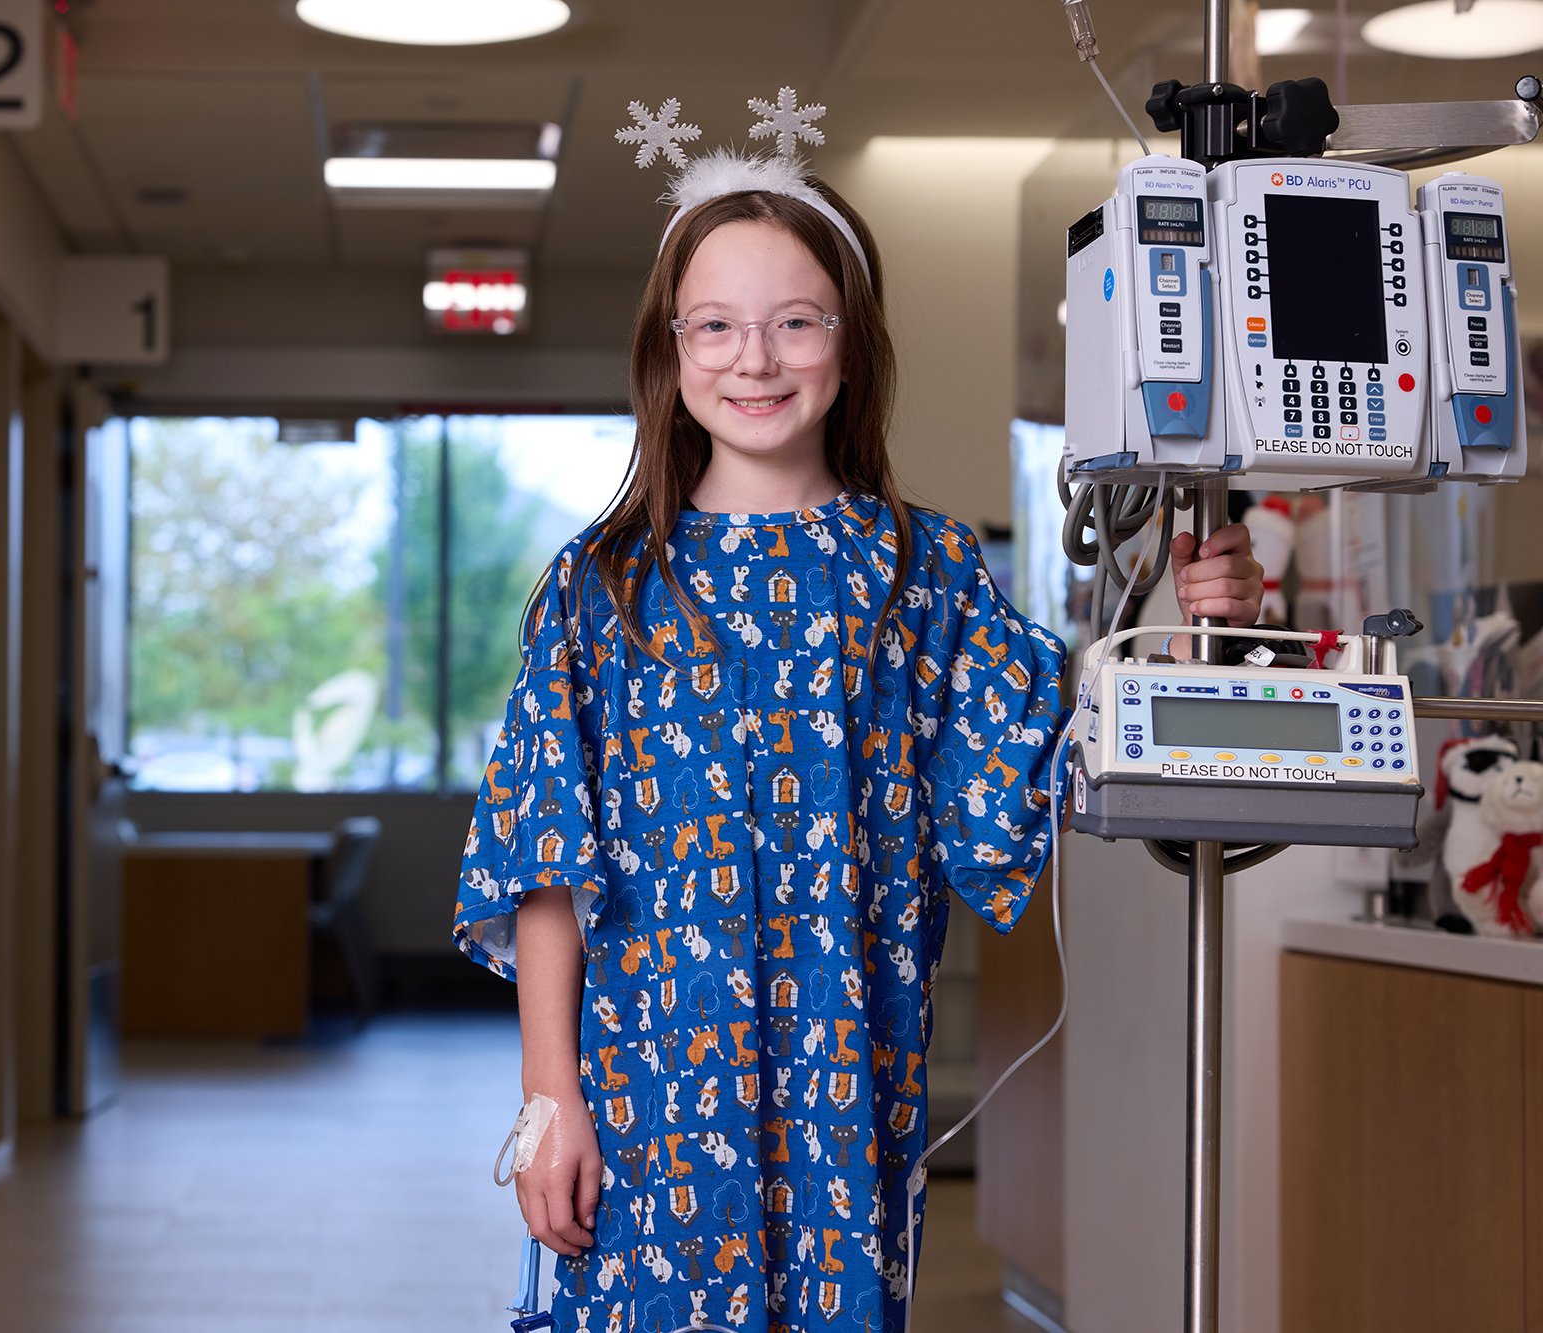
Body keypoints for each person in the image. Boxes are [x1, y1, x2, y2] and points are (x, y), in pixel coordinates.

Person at [451, 142, 1263, 1331]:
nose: (754, 359)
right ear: (669, 350)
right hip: (644, 1098)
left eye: (795, 322)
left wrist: (1188, 630)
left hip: (850, 1085)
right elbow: (540, 866)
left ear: (852, 341)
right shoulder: (603, 588)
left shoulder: (919, 572)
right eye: (714, 326)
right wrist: (547, 1100)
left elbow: (1054, 738)